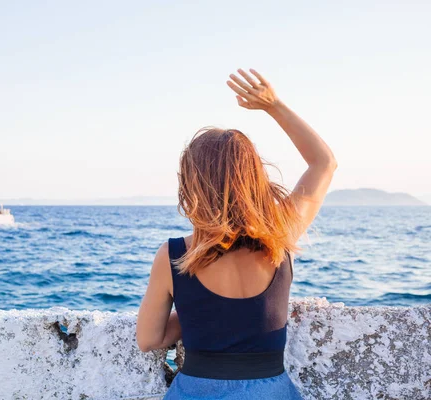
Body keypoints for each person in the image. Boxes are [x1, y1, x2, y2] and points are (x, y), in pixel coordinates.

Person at [136, 68, 336, 399]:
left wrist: (197, 312)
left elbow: (149, 339)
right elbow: (324, 163)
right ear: (254, 178)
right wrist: (274, 106)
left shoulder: (174, 256)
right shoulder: (280, 237)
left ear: (191, 185)